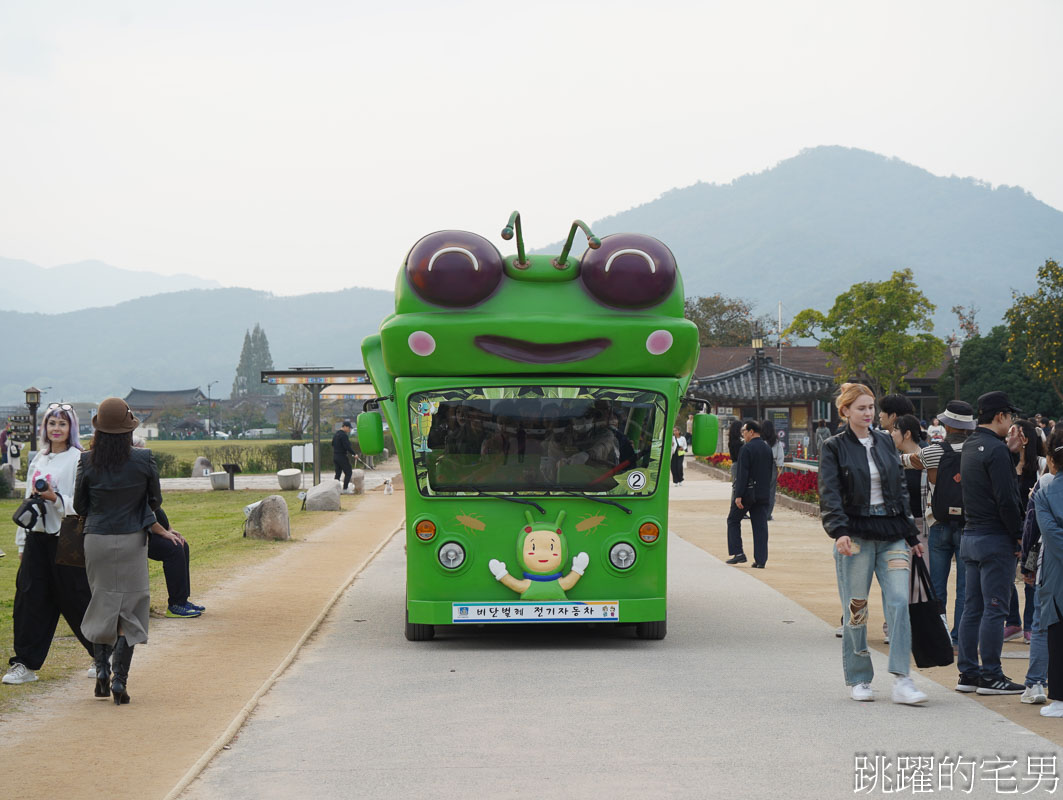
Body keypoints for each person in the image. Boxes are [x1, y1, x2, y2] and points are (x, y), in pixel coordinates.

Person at [819, 383, 927, 704]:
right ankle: (860, 677)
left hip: (892, 533)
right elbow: (829, 492)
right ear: (845, 411)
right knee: (857, 608)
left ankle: (902, 679)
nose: (868, 413)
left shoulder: (884, 441)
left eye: (871, 408)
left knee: (899, 602)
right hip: (854, 536)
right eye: (861, 408)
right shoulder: (833, 446)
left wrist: (911, 535)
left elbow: (900, 489)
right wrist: (839, 531)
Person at [74, 397, 183, 705]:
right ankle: (119, 680)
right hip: (132, 539)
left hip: (96, 540)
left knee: (102, 602)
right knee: (131, 608)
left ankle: (101, 670)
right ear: (128, 428)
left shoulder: (86, 460)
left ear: (99, 429)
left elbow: (80, 506)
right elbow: (155, 500)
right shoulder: (144, 458)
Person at [3, 404, 95, 686]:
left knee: (77, 598)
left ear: (71, 428)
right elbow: (28, 502)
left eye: (62, 424)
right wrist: (22, 543)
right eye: (52, 423)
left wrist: (55, 498)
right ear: (44, 428)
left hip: (67, 537)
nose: (56, 428)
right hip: (37, 537)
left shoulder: (79, 459)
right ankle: (25, 663)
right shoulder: (39, 459)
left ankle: (102, 653)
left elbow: (84, 505)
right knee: (29, 599)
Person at [955, 391, 1026, 695]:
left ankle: (969, 673)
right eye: (1010, 416)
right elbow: (1006, 499)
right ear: (1000, 416)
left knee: (972, 608)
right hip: (995, 538)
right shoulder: (996, 450)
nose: (1011, 421)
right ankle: (992, 675)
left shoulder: (970, 445)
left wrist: (1009, 453)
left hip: (971, 535)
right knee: (995, 609)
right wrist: (1019, 534)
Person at [918, 400, 976, 647]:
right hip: (968, 525)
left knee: (937, 585)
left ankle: (939, 637)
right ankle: (959, 639)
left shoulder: (932, 451)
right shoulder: (977, 450)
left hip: (939, 522)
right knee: (965, 588)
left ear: (946, 425)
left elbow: (909, 460)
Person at [132, 438, 204, 619]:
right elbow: (144, 514)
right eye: (139, 449)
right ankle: (176, 605)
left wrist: (169, 529)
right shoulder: (132, 477)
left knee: (181, 544)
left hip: (148, 529)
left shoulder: (142, 473)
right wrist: (164, 533)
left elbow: (156, 508)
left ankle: (182, 600)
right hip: (136, 533)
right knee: (173, 548)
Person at [1033, 428, 1063, 716]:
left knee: (1057, 634)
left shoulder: (1045, 493)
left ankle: (1060, 698)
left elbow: (1052, 537)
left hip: (1056, 573)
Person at [725, 420, 773, 568]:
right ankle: (761, 560)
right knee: (760, 526)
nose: (743, 434)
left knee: (733, 520)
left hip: (747, 494)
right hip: (763, 493)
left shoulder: (746, 449)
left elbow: (742, 474)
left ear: (751, 432)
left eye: (744, 431)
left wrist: (738, 495)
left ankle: (738, 552)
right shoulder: (767, 448)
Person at [761, 419, 784, 520]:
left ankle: (760, 513)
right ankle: (768, 514)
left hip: (760, 466)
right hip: (772, 466)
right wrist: (780, 468)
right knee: (771, 491)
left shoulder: (759, 441)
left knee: (760, 490)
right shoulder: (776, 441)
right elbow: (780, 456)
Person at [331, 421, 358, 493]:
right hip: (342, 456)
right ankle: (345, 489)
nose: (349, 430)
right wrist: (354, 454)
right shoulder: (343, 435)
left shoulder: (336, 434)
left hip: (335, 456)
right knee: (348, 472)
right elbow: (347, 446)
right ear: (345, 426)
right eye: (349, 428)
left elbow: (332, 444)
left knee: (338, 473)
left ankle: (335, 489)